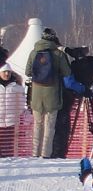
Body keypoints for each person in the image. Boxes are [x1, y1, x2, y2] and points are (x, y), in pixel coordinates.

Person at [27, 29, 72, 158]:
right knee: (49, 127)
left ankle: (35, 153)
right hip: (52, 95)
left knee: (37, 125)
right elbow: (67, 73)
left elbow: (27, 71)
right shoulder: (58, 54)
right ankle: (46, 154)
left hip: (36, 95)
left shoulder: (33, 52)